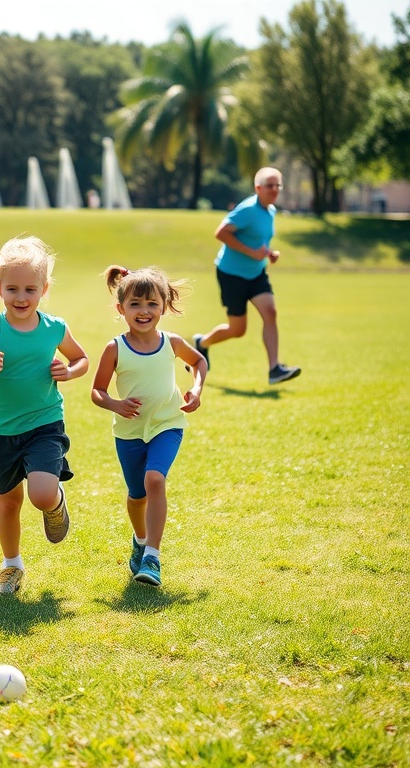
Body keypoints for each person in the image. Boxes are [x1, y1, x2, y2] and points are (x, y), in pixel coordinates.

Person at [0, 236, 89, 596]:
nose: (21, 297)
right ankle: (11, 566)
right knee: (9, 501)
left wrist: (69, 371)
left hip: (44, 423)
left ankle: (55, 503)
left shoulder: (54, 327)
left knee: (41, 493)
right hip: (1, 430)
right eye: (12, 289)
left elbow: (81, 359)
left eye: (30, 289)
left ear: (44, 289)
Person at [91, 266, 207, 588]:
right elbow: (97, 391)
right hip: (128, 432)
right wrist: (115, 404)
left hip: (168, 424)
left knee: (155, 479)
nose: (144, 312)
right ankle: (140, 540)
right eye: (135, 304)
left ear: (164, 306)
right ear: (121, 309)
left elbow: (199, 362)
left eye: (152, 304)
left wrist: (196, 390)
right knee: (136, 494)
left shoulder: (172, 342)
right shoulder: (115, 348)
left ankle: (152, 557)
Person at [191, 167, 300, 385]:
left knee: (270, 312)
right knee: (237, 329)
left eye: (278, 185)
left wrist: (269, 254)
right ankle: (202, 343)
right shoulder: (248, 209)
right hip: (231, 274)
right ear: (257, 188)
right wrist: (252, 253)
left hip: (257, 273)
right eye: (270, 185)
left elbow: (258, 239)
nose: (275, 189)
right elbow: (220, 233)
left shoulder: (270, 211)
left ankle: (274, 369)